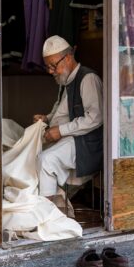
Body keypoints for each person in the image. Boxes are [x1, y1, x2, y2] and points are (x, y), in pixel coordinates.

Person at [34, 35, 103, 201]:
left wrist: (61, 131)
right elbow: (61, 110)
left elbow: (96, 117)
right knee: (32, 154)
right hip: (71, 138)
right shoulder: (65, 80)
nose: (50, 71)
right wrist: (47, 119)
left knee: (46, 161)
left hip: (87, 143)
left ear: (68, 57)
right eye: (48, 67)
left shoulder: (88, 79)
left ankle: (49, 216)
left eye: (53, 65)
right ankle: (52, 206)